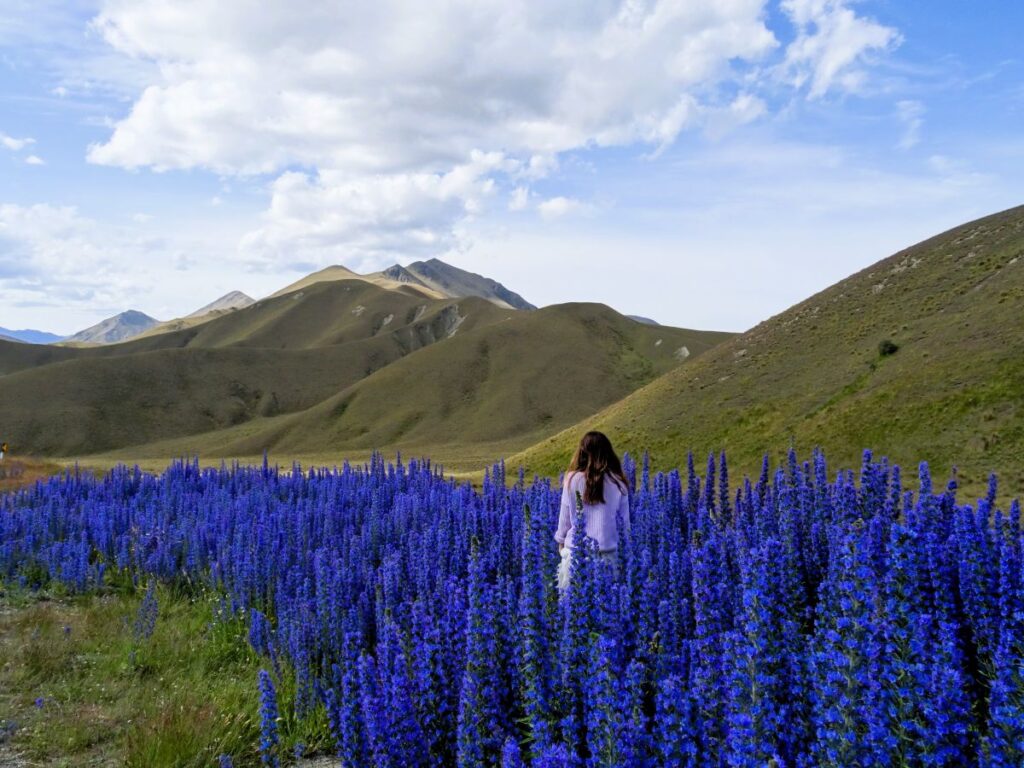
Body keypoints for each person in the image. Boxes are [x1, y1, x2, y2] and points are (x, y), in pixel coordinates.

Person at [553, 431, 630, 590]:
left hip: (575, 559)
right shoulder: (619, 484)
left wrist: (562, 545)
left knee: (571, 610)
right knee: (607, 611)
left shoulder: (571, 480)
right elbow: (625, 527)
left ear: (582, 452)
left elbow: (564, 520)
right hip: (608, 559)